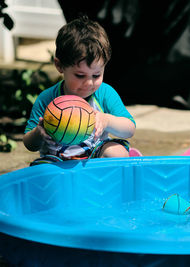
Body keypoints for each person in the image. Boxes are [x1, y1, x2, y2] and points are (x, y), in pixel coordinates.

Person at [23, 16, 136, 165]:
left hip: (95, 155)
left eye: (96, 75)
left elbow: (129, 129)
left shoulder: (104, 93)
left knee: (117, 153)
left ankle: (110, 185)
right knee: (39, 169)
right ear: (59, 66)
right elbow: (29, 144)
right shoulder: (48, 99)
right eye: (80, 75)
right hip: (56, 159)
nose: (89, 83)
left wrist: (107, 120)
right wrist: (39, 133)